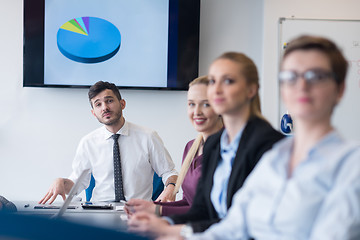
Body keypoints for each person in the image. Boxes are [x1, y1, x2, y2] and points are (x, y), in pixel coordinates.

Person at [174, 35, 360, 239]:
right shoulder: (275, 157)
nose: (302, 86)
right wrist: (176, 233)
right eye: (290, 77)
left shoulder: (351, 165)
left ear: (340, 89)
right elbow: (233, 227)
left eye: (316, 76)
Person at [128, 52, 284, 238]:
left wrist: (174, 229)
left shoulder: (268, 146)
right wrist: (163, 221)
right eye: (213, 82)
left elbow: (241, 224)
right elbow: (202, 211)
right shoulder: (216, 144)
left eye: (228, 81)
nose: (216, 89)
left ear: (251, 90)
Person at [39, 81, 178, 204]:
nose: (104, 107)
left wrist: (171, 188)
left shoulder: (148, 137)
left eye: (109, 101)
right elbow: (76, 184)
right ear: (94, 113)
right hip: (100, 212)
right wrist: (61, 182)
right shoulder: (88, 142)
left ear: (122, 104)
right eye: (98, 104)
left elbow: (169, 172)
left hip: (138, 211)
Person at [125, 76, 224, 216]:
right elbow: (188, 202)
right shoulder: (191, 147)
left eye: (206, 104)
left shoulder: (229, 151)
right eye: (191, 104)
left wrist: (157, 210)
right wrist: (149, 206)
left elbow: (211, 211)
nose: (197, 112)